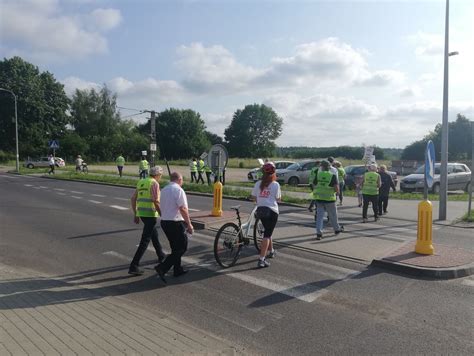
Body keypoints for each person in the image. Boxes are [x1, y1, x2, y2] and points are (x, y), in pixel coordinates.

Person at [155, 172, 194, 283]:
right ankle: (162, 267)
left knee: (175, 248)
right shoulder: (178, 190)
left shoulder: (164, 189)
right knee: (182, 247)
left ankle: (177, 269)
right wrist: (189, 224)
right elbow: (183, 209)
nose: (182, 182)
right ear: (179, 179)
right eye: (182, 180)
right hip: (175, 223)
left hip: (165, 222)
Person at [128, 166, 166, 275]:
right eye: (161, 176)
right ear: (158, 175)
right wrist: (162, 214)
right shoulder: (154, 183)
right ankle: (134, 266)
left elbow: (133, 198)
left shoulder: (141, 181)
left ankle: (161, 255)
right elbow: (155, 201)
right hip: (150, 214)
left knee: (154, 235)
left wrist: (136, 214)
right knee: (145, 240)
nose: (160, 178)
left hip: (142, 214)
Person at [251, 162, 281, 268]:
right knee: (267, 235)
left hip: (261, 211)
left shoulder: (258, 183)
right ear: (274, 172)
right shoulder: (275, 184)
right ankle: (261, 259)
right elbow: (278, 199)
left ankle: (271, 251)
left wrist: (259, 202)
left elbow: (253, 197)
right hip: (272, 211)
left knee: (268, 231)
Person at [313, 160, 343, 240]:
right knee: (333, 215)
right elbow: (336, 189)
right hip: (329, 199)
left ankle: (319, 233)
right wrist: (337, 192)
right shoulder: (332, 176)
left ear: (321, 167)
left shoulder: (318, 175)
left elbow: (314, 185)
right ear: (329, 167)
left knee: (319, 217)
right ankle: (336, 230)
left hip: (319, 198)